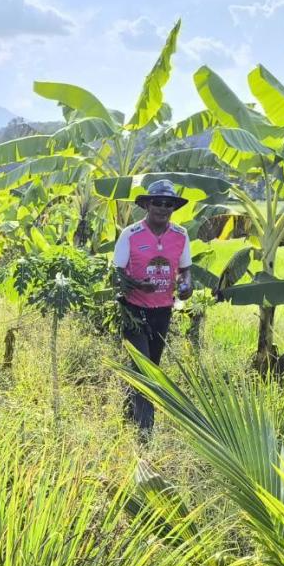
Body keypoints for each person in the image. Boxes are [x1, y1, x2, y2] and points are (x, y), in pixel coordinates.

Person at [113, 179, 193, 435]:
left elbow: (185, 270)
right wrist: (136, 284)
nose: (162, 207)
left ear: (173, 208)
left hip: (163, 311)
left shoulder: (180, 235)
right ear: (147, 205)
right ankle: (145, 432)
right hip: (134, 311)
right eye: (157, 202)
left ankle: (128, 414)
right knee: (145, 369)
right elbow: (115, 274)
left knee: (151, 366)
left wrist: (186, 285)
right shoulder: (131, 234)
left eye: (168, 204)